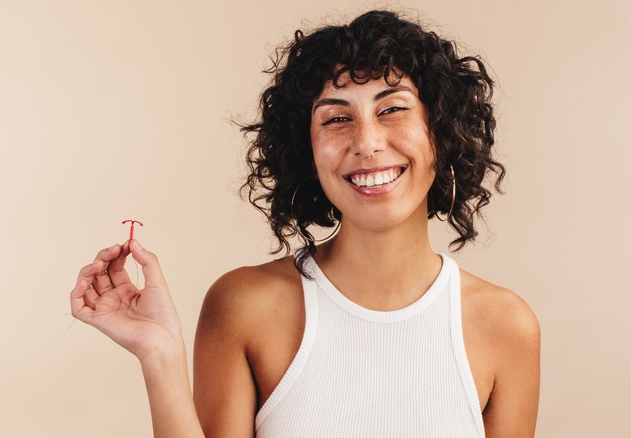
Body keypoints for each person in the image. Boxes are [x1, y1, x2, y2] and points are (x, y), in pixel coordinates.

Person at [70, 10, 540, 438]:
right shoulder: (243, 306)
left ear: (441, 131)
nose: (367, 142)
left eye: (392, 109)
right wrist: (160, 354)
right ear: (307, 153)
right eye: (336, 118)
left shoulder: (506, 326)